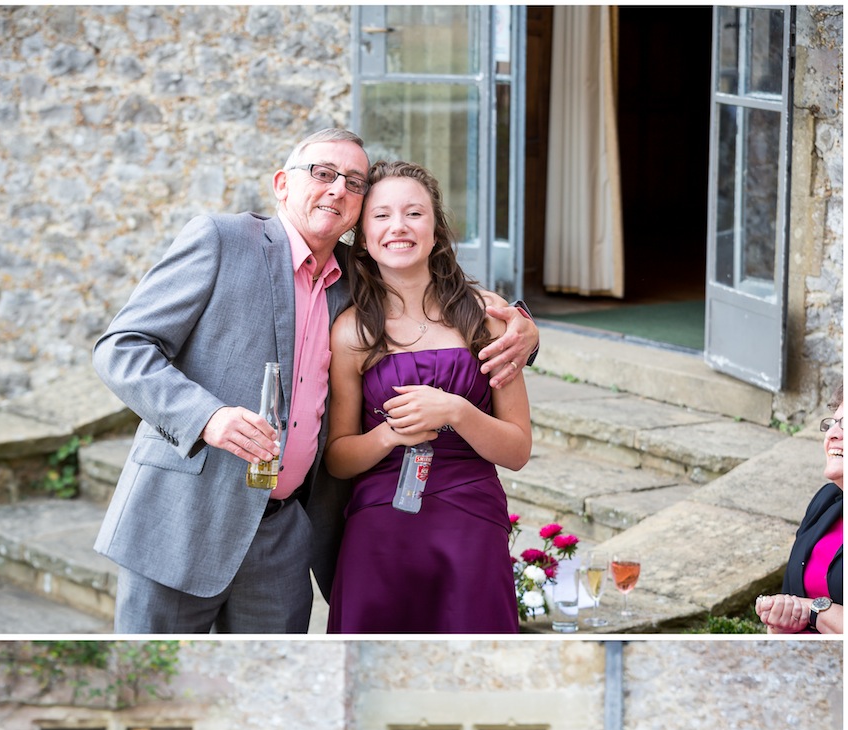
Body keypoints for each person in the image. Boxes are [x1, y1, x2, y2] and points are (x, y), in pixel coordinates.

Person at [92, 127, 538, 634]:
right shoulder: (222, 240)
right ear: (283, 183)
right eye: (322, 173)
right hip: (187, 521)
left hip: (284, 534)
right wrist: (206, 418)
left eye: (353, 181)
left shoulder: (358, 275)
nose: (338, 189)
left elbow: (442, 299)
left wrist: (526, 329)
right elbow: (121, 348)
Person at [325, 161, 531, 634]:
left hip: (471, 517)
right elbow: (337, 457)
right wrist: (388, 435)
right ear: (363, 236)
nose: (398, 226)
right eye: (381, 216)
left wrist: (457, 411)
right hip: (381, 523)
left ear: (435, 231)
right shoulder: (351, 330)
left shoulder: (489, 318)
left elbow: (518, 450)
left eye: (414, 213)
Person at [756, 386, 843, 636]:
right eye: (832, 424)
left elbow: (804, 610)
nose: (833, 434)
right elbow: (789, 605)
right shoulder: (826, 501)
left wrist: (813, 612)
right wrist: (778, 616)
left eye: (845, 425)